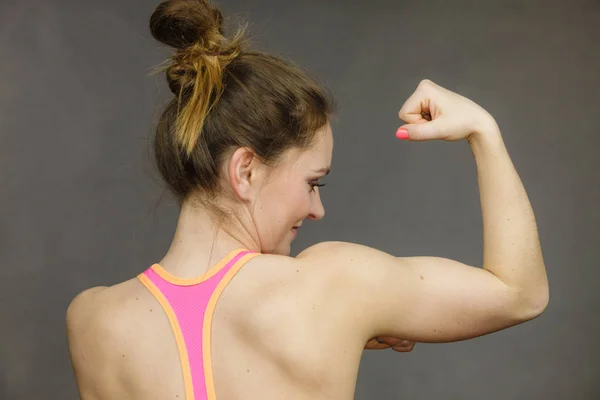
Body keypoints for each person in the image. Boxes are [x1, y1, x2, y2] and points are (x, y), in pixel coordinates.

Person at [65, 0, 550, 399]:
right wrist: (484, 131)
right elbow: (520, 294)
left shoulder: (91, 320)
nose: (317, 209)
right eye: (313, 182)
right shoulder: (334, 287)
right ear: (245, 170)